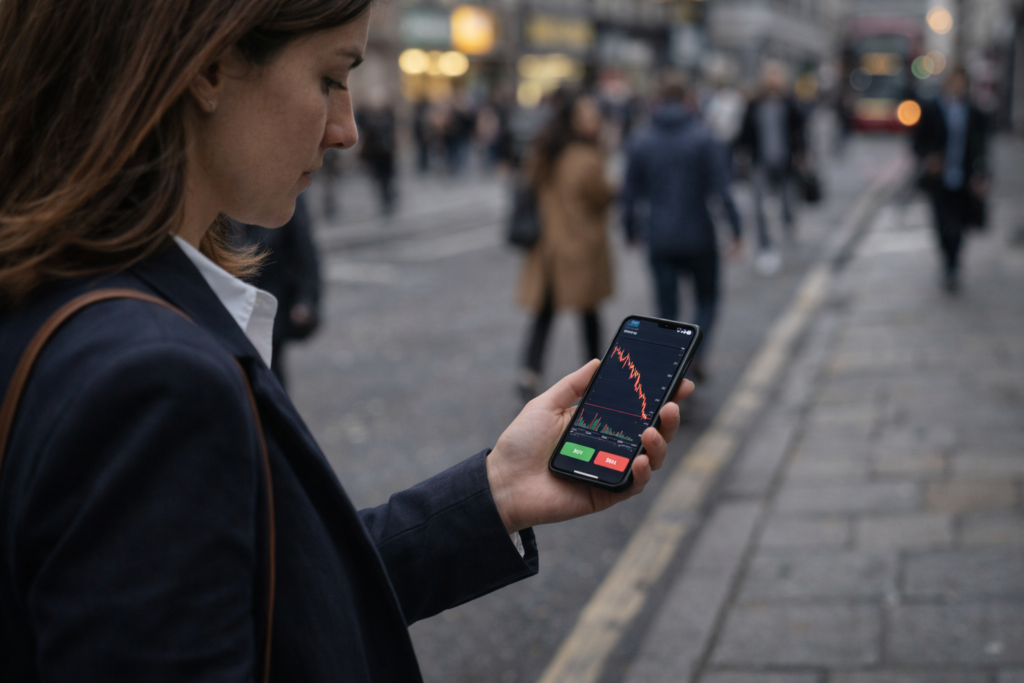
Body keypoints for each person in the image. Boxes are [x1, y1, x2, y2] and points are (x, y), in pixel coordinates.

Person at [0, 1, 695, 680]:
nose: (347, 129)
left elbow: (282, 597)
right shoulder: (152, 384)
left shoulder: (57, 294)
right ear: (208, 68)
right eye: (331, 78)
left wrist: (494, 493)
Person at [621, 80, 743, 382]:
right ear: (688, 100)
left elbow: (629, 193)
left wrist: (630, 230)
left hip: (659, 237)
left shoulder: (641, 139)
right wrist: (736, 230)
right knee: (707, 299)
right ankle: (694, 356)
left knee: (667, 313)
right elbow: (722, 190)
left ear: (658, 100)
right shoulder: (703, 137)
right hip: (699, 235)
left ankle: (674, 369)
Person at [517, 93, 615, 400]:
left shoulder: (545, 152)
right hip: (580, 246)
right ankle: (597, 372)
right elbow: (603, 195)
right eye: (590, 116)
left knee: (544, 314)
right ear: (574, 121)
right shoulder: (587, 158)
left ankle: (529, 372)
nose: (596, 120)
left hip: (548, 246)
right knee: (588, 313)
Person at [913, 66, 989, 292]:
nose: (957, 86)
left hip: (964, 178)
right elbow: (918, 143)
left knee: (959, 227)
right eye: (954, 81)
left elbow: (981, 147)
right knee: (941, 225)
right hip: (939, 180)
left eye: (961, 82)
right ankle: (947, 261)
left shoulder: (975, 112)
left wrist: (981, 175)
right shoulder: (931, 109)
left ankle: (953, 265)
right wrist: (928, 159)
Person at [232, 195, 322, 388]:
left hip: (269, 299)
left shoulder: (284, 189)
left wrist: (305, 299)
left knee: (269, 373)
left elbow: (303, 247)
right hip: (234, 303)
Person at [736, 60, 807, 275]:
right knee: (758, 207)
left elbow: (799, 132)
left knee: (787, 204)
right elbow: (744, 134)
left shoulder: (789, 103)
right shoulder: (754, 105)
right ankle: (764, 247)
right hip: (760, 162)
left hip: (786, 163)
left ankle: (788, 230)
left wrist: (801, 155)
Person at [355, 92, 397, 214]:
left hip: (385, 155)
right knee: (382, 179)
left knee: (384, 179)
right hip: (378, 155)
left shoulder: (385, 118)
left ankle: (387, 196)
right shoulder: (372, 120)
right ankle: (386, 197)